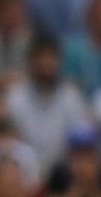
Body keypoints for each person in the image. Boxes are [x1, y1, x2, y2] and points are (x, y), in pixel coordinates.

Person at [7, 37, 91, 173]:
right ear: (30, 61)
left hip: (62, 173)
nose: (45, 63)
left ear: (59, 62)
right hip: (22, 171)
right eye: (40, 57)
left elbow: (81, 140)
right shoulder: (15, 97)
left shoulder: (71, 97)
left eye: (51, 57)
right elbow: (11, 141)